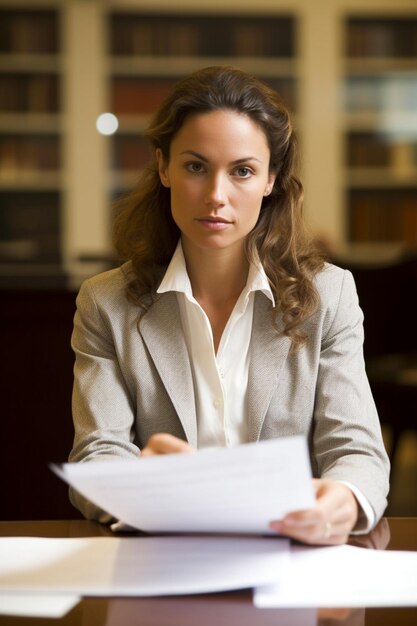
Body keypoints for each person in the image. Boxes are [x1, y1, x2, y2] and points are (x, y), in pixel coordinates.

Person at [69, 66, 390, 545]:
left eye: (242, 170)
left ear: (271, 180)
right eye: (196, 166)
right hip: (163, 563)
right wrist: (139, 482)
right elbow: (97, 453)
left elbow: (357, 450)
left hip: (291, 563)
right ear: (164, 168)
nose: (216, 196)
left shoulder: (330, 295)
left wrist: (340, 502)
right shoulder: (105, 303)